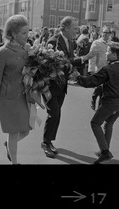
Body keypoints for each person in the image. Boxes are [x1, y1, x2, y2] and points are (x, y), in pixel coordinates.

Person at [77, 42, 119, 164]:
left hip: (109, 102)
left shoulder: (108, 69)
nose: (106, 53)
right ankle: (105, 149)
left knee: (95, 123)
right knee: (108, 124)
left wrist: (77, 77)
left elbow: (91, 82)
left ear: (114, 55)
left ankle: (105, 153)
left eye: (108, 51)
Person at [0, 14, 32, 165]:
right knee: (13, 133)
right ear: (13, 34)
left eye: (28, 32)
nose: (27, 36)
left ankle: (8, 145)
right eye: (23, 33)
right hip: (7, 98)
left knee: (26, 130)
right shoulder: (2, 52)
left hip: (22, 97)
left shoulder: (25, 51)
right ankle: (14, 162)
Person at [41, 16, 81, 158]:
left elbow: (69, 61)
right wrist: (82, 58)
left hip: (61, 85)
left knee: (56, 114)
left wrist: (74, 70)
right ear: (66, 28)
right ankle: (45, 143)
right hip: (49, 85)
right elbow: (58, 62)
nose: (77, 31)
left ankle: (49, 141)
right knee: (54, 113)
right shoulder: (54, 40)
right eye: (75, 28)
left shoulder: (70, 41)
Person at [80, 26, 112, 110]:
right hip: (99, 68)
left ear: (110, 34)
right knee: (99, 87)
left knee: (104, 88)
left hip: (108, 69)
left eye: (107, 33)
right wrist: (91, 69)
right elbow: (92, 57)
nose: (105, 34)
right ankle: (94, 98)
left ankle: (100, 106)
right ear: (101, 33)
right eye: (104, 32)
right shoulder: (96, 43)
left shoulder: (110, 44)